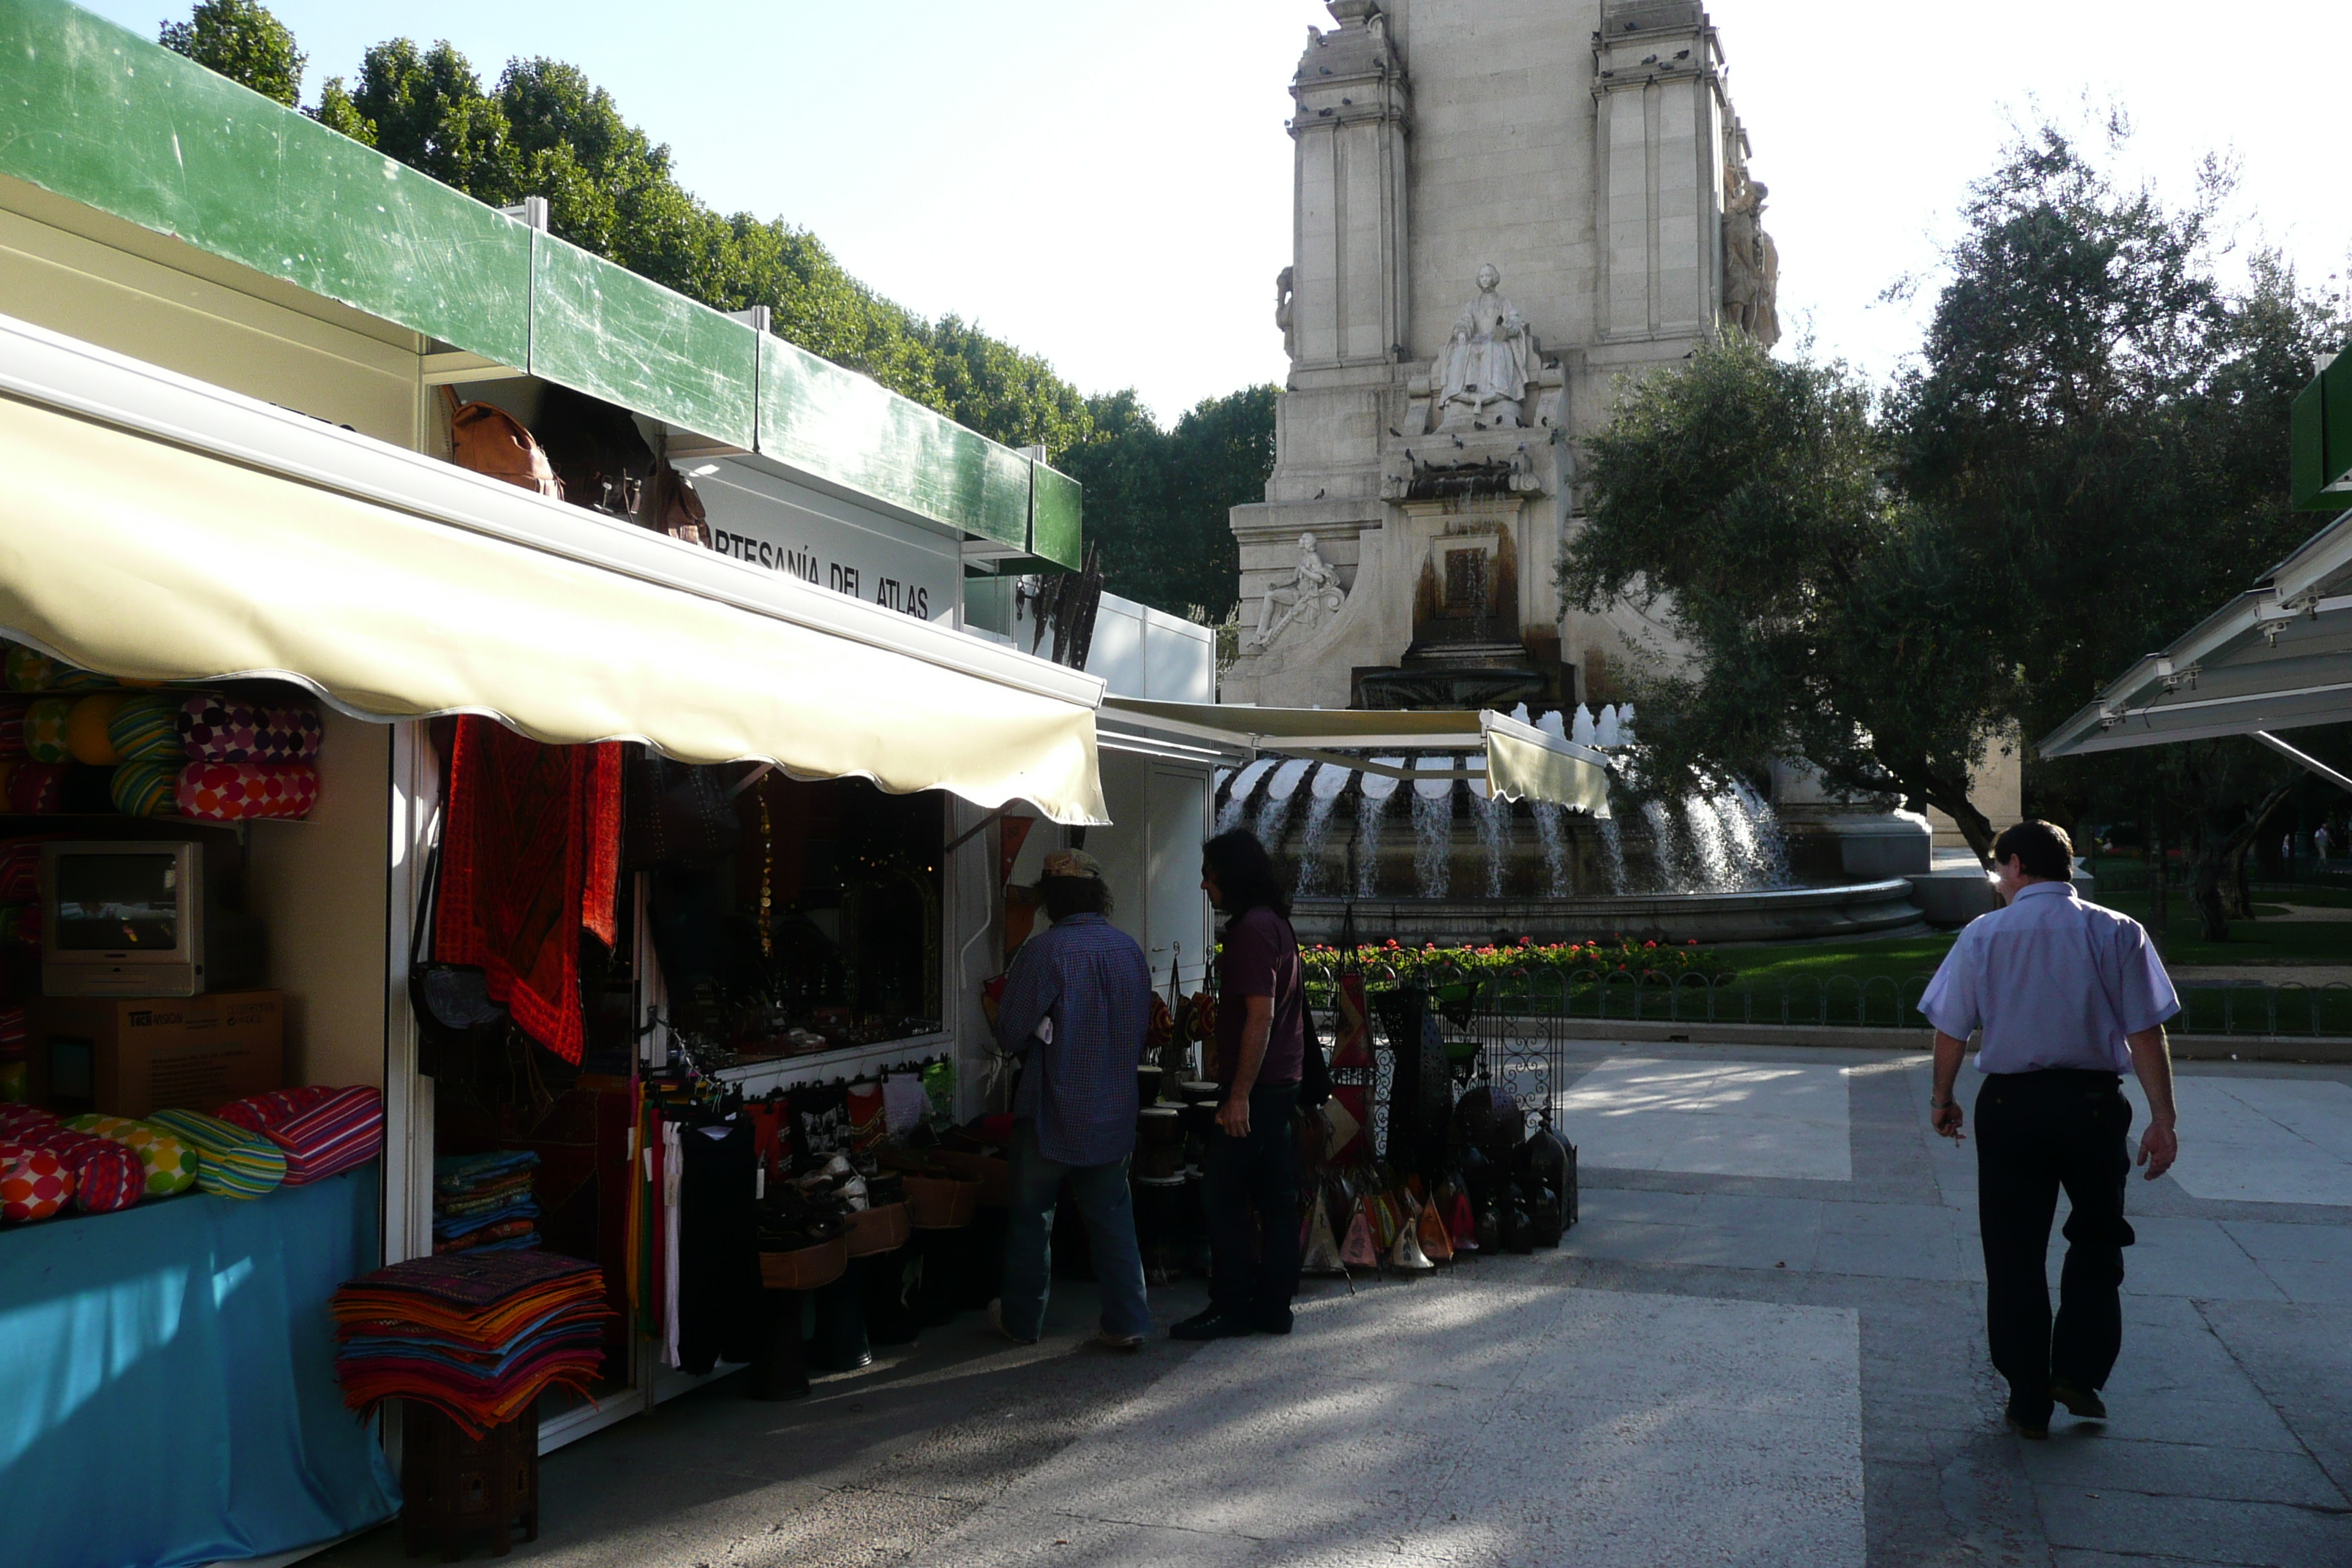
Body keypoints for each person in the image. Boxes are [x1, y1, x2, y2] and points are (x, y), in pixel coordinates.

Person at [1919, 820, 2181, 1441]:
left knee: (2013, 1252)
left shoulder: (1984, 934)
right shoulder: (2117, 930)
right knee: (2098, 1238)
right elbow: (2147, 1031)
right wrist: (2162, 1118)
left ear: (2015, 865)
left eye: (1995, 866)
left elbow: (1952, 1028)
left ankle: (2025, 1392)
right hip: (2093, 1107)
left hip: (2011, 1106)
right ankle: (2079, 1371)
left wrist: (1942, 1098)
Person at [992, 848, 1154, 1350]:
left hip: (1050, 1113)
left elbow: (1010, 1033)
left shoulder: (1043, 953)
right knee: (1112, 1217)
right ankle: (1128, 1322)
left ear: (1050, 900)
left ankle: (1022, 1323)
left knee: (1031, 1219)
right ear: (1096, 894)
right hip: (1113, 1112)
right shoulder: (1128, 950)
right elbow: (1141, 1032)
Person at [1173, 829, 1307, 1341]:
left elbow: (1260, 1017)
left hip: (1259, 1089)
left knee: (1221, 1196)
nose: (1204, 883)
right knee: (1275, 1198)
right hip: (1281, 1082)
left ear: (1231, 877)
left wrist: (1237, 1096)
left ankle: (1230, 1305)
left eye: (1210, 873)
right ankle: (1274, 1308)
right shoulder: (1276, 923)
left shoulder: (1250, 931)